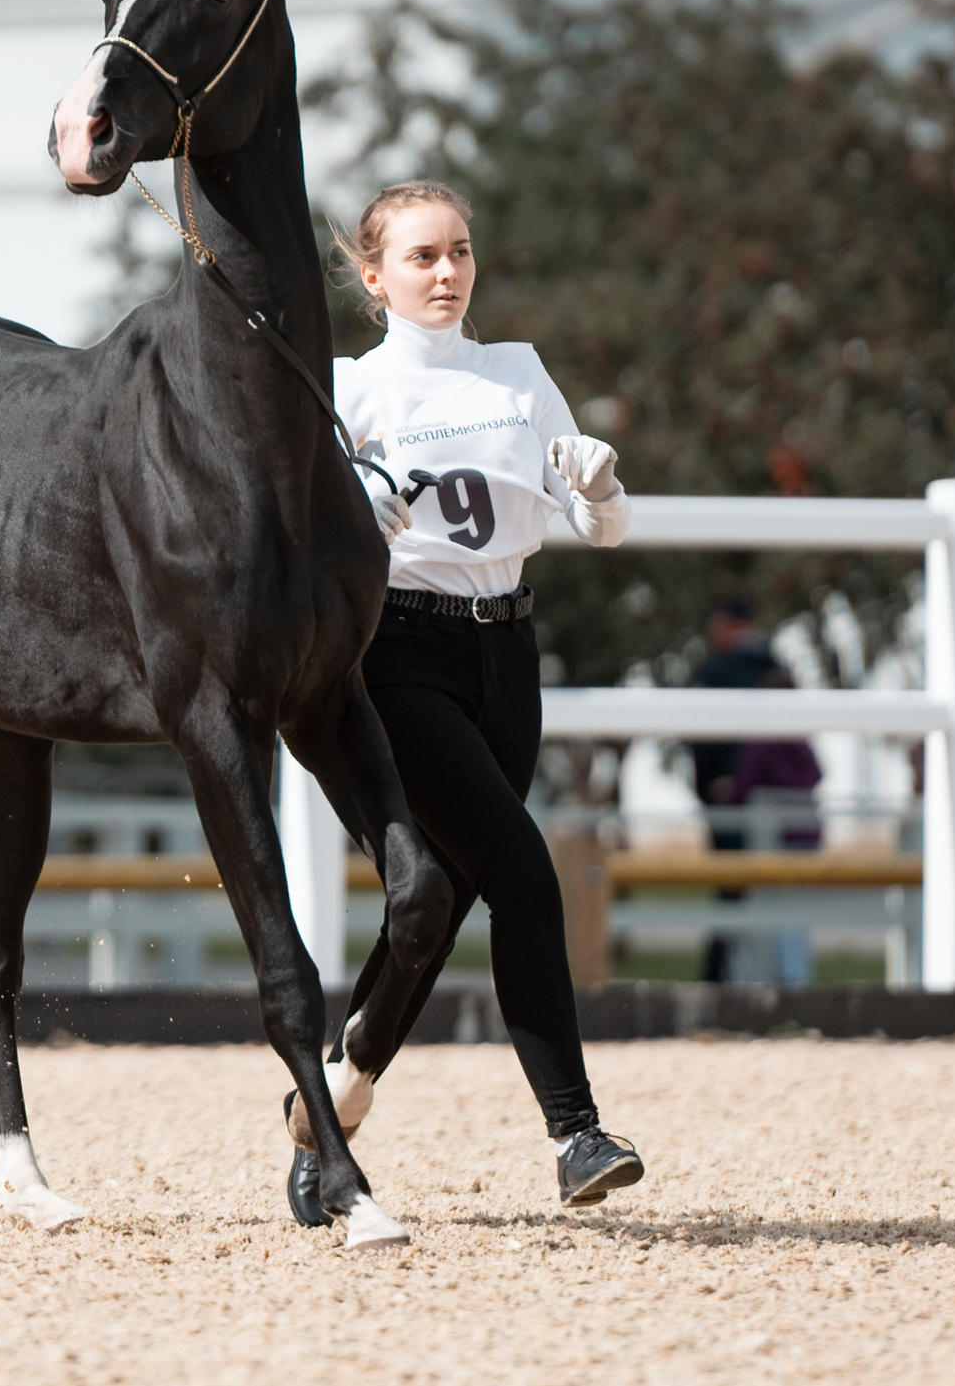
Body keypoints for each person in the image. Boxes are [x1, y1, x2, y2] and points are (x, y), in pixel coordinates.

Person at [292, 178, 643, 1224]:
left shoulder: (518, 372)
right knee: (523, 873)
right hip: (401, 655)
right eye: (420, 258)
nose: (446, 273)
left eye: (458, 253)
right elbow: (311, 543)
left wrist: (596, 486)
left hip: (509, 654)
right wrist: (363, 518)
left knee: (427, 910)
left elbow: (602, 529)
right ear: (373, 277)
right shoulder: (350, 390)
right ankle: (576, 1132)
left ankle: (331, 1103)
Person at [690, 597, 781, 982]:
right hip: (777, 804)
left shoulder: (719, 669)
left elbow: (701, 742)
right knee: (767, 895)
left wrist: (711, 790)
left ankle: (719, 976)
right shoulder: (776, 669)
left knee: (730, 890)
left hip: (729, 801)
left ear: (728, 624)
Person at [725, 667, 824, 986]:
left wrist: (727, 793)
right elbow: (816, 774)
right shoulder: (799, 739)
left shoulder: (764, 738)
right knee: (796, 920)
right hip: (806, 836)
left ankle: (780, 985)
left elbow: (744, 785)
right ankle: (795, 982)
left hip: (776, 838)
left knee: (773, 919)